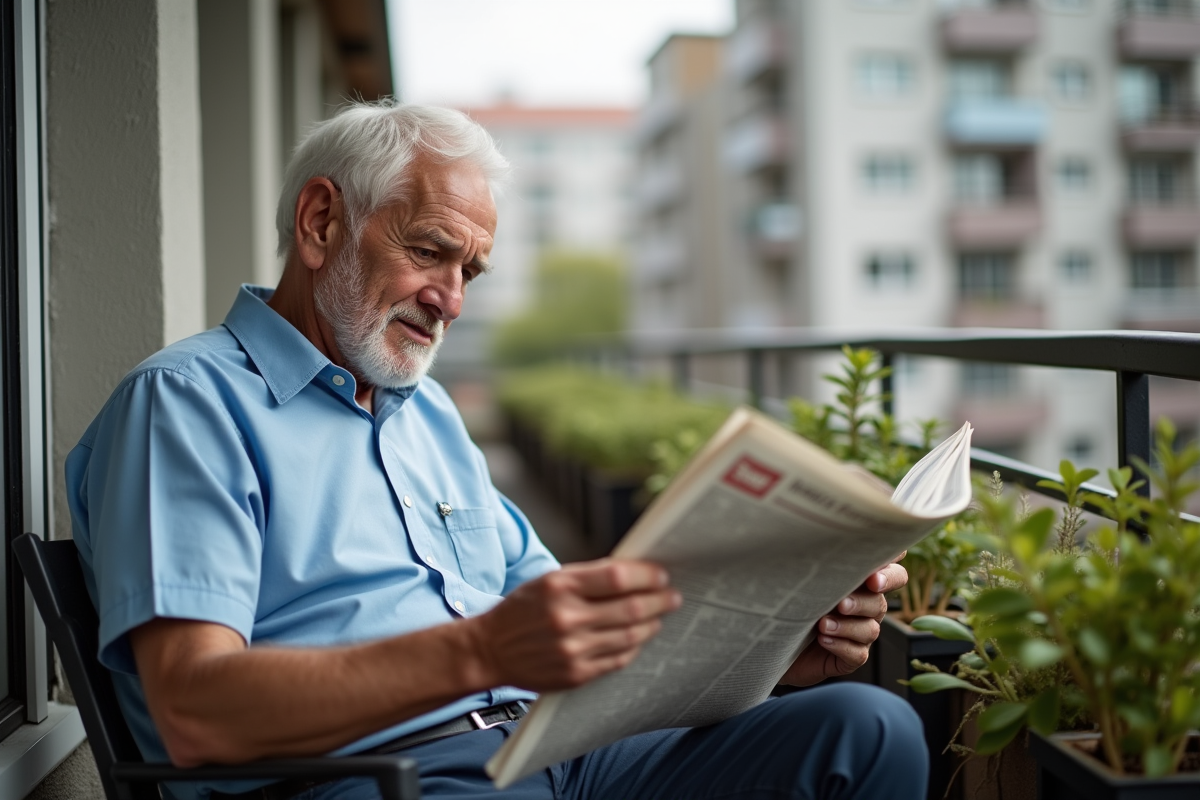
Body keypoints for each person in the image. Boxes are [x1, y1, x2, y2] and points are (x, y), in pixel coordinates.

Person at [67, 102, 928, 800]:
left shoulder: (428, 415)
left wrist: (773, 650)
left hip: (552, 751)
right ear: (322, 221)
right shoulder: (187, 403)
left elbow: (569, 632)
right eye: (428, 251)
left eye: (469, 272)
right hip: (369, 780)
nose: (449, 301)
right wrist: (482, 655)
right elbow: (194, 711)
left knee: (865, 728)